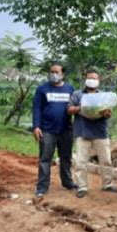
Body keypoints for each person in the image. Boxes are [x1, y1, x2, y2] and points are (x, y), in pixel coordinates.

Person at [67, 69, 117, 198]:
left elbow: (108, 114)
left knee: (106, 160)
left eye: (94, 78)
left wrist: (106, 113)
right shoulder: (77, 95)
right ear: (85, 79)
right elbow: (69, 110)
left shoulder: (103, 96)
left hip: (100, 132)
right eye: (89, 78)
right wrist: (81, 107)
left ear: (99, 81)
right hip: (82, 132)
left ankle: (108, 184)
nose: (92, 80)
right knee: (80, 162)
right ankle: (82, 187)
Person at [32, 61, 77, 198]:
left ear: (63, 74)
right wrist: (36, 126)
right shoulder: (42, 89)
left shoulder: (70, 89)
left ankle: (68, 182)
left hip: (65, 130)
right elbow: (37, 108)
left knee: (66, 158)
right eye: (52, 71)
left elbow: (75, 107)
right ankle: (42, 187)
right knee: (45, 159)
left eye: (57, 72)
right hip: (47, 130)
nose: (54, 74)